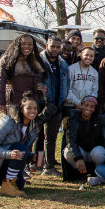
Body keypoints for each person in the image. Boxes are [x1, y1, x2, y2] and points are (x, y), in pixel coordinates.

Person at [37, 36, 68, 176]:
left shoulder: (62, 63)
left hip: (56, 106)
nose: (55, 49)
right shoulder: (39, 61)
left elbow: (66, 83)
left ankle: (49, 166)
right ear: (47, 45)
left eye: (57, 47)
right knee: (32, 135)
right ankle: (29, 164)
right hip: (41, 104)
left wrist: (61, 101)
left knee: (51, 137)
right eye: (52, 46)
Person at [63, 96, 105, 181]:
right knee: (68, 152)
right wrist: (78, 158)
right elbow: (71, 140)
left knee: (98, 153)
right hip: (81, 151)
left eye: (91, 106)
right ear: (81, 106)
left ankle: (97, 172)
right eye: (86, 105)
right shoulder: (73, 119)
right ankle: (80, 172)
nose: (88, 108)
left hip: (95, 151)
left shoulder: (101, 120)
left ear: (95, 108)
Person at [0, 34, 45, 113]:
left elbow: (41, 80)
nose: (27, 46)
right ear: (18, 45)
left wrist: (41, 88)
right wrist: (1, 102)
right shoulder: (8, 60)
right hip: (14, 104)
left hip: (33, 105)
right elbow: (0, 81)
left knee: (31, 125)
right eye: (23, 44)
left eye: (30, 44)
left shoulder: (37, 60)